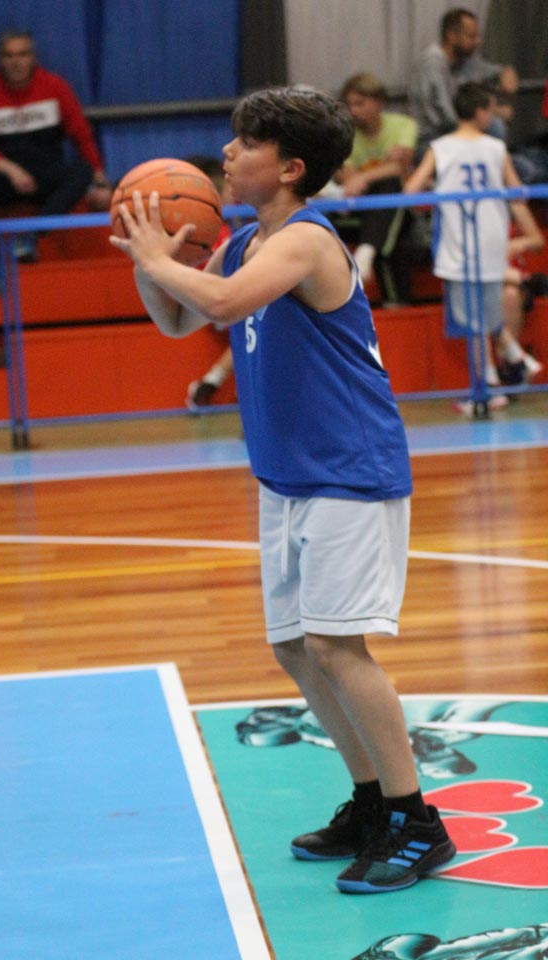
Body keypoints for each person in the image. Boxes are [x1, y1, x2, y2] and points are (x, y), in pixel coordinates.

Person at [110, 85, 456, 894]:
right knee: (296, 646)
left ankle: (417, 822)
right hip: (290, 473)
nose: (227, 153)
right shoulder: (246, 241)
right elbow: (181, 320)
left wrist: (162, 261)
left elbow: (225, 301)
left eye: (246, 143)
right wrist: (145, 257)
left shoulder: (305, 241)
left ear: (292, 168)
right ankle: (371, 801)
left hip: (349, 468)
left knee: (338, 646)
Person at [405, 82, 543, 416]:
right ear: (480, 112)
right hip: (492, 238)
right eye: (490, 110)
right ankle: (513, 364)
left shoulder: (441, 148)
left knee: (473, 322)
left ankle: (492, 384)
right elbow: (518, 192)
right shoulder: (496, 147)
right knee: (483, 316)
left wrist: (438, 186)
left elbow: (411, 191)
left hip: (458, 241)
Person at [0, 30, 112, 288]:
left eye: (22, 54)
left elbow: (80, 134)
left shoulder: (55, 87)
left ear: (33, 57)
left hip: (45, 175)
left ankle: (31, 238)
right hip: (6, 177)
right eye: (10, 55)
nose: (16, 62)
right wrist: (11, 171)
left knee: (82, 170)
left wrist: (100, 179)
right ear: (0, 60)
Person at [335, 72, 419, 304]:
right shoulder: (345, 134)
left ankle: (367, 253)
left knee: (391, 189)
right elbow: (348, 178)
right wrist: (385, 166)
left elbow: (399, 170)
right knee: (391, 231)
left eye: (360, 103)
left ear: (379, 102)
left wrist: (365, 176)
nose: (353, 110)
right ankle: (396, 303)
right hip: (357, 208)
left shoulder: (404, 125)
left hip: (398, 208)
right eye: (350, 104)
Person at [409, 7, 519, 158]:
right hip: (432, 140)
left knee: (522, 164)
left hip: (460, 136)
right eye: (471, 36)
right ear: (452, 35)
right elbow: (443, 115)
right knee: (494, 126)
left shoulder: (465, 61)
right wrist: (486, 116)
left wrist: (507, 73)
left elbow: (494, 71)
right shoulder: (432, 62)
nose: (478, 42)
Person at [182, 155, 235, 411]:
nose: (233, 195)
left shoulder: (226, 228)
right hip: (212, 300)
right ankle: (212, 381)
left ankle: (212, 381)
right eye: (227, 191)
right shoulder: (213, 233)